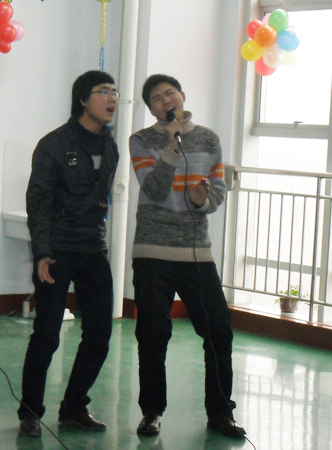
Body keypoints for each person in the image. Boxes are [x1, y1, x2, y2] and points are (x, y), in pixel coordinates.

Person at [129, 74, 246, 438]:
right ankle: (151, 412)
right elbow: (153, 188)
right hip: (153, 251)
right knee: (152, 334)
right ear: (152, 109)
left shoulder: (209, 139)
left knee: (219, 331)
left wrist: (201, 201)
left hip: (196, 252)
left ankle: (220, 414)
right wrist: (169, 146)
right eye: (156, 98)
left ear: (182, 96)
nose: (166, 101)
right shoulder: (140, 140)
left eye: (170, 93)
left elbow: (217, 191)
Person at [18, 70, 119, 436]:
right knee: (47, 334)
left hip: (93, 247)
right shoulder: (54, 144)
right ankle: (30, 412)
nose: (111, 98)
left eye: (114, 92)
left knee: (99, 334)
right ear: (82, 99)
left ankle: (74, 407)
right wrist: (42, 252)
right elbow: (39, 202)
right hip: (58, 249)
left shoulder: (110, 145)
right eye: (103, 91)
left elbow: (100, 201)